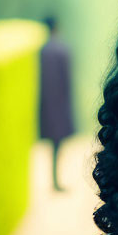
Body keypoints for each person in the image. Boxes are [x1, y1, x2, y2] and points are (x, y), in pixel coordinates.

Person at [39, 16, 76, 191]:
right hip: (59, 106)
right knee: (57, 146)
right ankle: (55, 181)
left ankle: (54, 180)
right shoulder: (62, 50)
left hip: (45, 107)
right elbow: (67, 82)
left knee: (53, 146)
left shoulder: (41, 51)